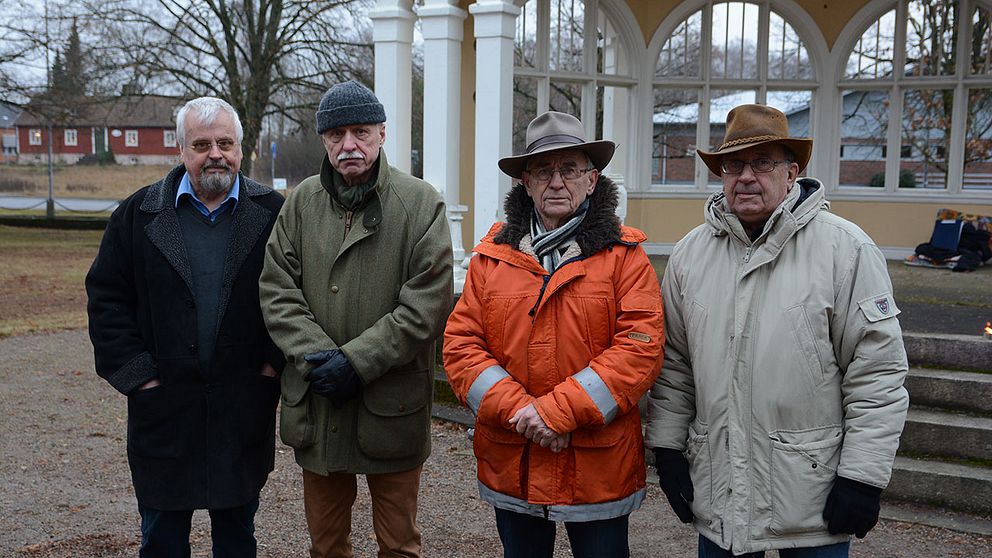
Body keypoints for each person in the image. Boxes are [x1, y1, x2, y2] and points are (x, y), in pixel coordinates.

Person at [645, 104, 910, 557]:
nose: (745, 176)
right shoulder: (690, 255)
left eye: (762, 162)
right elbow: (674, 366)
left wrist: (862, 478)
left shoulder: (846, 250)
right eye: (733, 164)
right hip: (721, 491)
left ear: (793, 172)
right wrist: (667, 448)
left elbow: (878, 376)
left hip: (812, 497)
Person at [443, 111, 665, 558]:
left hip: (598, 465)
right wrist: (523, 411)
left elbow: (641, 347)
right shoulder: (492, 256)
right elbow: (461, 346)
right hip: (515, 456)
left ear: (592, 178)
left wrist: (556, 412)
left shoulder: (625, 256)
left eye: (569, 169)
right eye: (544, 170)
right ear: (526, 182)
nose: (556, 181)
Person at [258, 80, 453, 558]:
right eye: (337, 134)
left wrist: (357, 362)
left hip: (391, 405)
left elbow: (426, 304)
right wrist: (320, 358)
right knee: (325, 546)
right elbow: (276, 288)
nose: (349, 145)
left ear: (383, 133)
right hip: (321, 402)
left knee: (399, 544)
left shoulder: (421, 204)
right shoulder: (301, 203)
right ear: (324, 139)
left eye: (361, 132)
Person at [85, 96, 285, 557]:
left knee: (237, 538)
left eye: (224, 143)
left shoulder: (274, 213)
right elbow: (106, 299)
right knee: (162, 540)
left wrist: (272, 368)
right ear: (180, 150)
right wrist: (140, 378)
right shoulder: (138, 216)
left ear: (239, 148)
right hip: (164, 409)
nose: (214, 153)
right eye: (201, 144)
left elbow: (296, 294)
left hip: (241, 406)